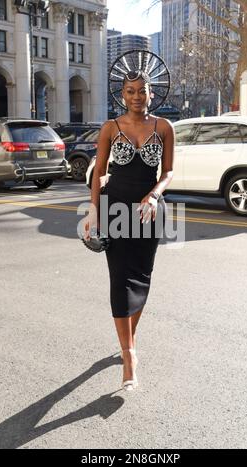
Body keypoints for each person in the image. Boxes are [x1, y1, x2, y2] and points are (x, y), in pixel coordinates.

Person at [83, 52, 175, 391]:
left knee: (141, 279)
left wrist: (153, 196)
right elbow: (99, 173)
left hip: (148, 213)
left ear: (152, 93)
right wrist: (93, 211)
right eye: (130, 90)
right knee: (120, 281)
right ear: (122, 94)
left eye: (142, 90)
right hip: (114, 210)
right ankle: (129, 355)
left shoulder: (164, 128)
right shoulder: (110, 128)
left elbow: (167, 173)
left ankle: (129, 339)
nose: (136, 96)